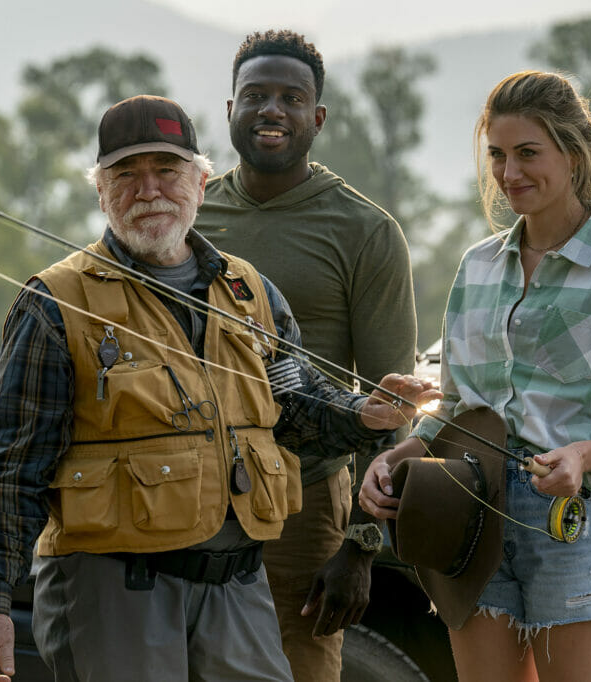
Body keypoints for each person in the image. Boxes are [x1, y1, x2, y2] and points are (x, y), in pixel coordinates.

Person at [0, 94, 439, 682]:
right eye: (126, 176)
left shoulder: (250, 291)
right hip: (112, 592)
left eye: (167, 171)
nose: (149, 191)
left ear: (201, 180)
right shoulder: (55, 304)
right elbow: (13, 470)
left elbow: (293, 403)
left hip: (237, 587)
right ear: (100, 192)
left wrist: (363, 413)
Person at [359, 70, 591, 681]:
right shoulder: (477, 268)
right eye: (498, 156)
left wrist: (584, 457)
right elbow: (456, 411)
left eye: (528, 153)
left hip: (575, 527)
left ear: (574, 154)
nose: (510, 174)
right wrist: (397, 454)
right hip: (468, 518)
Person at [193, 29, 418, 682]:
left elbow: (390, 403)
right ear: (229, 109)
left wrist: (361, 547)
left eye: (291, 98)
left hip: (304, 498)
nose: (271, 110)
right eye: (255, 95)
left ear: (317, 118)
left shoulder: (364, 230)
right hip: (185, 495)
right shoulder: (187, 214)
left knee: (299, 669)